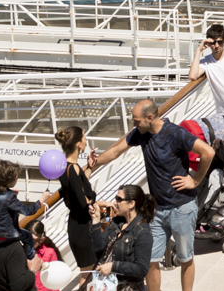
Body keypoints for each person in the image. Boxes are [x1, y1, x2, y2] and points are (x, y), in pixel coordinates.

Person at [91, 101, 215, 291]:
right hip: (156, 210)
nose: (134, 125)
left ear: (150, 118)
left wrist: (195, 181)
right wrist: (94, 163)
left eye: (136, 121)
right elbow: (116, 151)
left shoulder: (175, 133)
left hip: (182, 207)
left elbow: (208, 152)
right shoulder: (141, 134)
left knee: (185, 258)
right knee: (150, 260)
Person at [86, 184, 151, 291]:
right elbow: (98, 248)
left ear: (131, 204)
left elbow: (142, 269)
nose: (114, 202)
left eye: (119, 199)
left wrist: (113, 266)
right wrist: (96, 221)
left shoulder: (143, 231)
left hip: (127, 287)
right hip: (106, 284)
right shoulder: (117, 221)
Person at [53, 125, 99, 267]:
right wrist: (100, 204)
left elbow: (79, 186)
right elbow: (83, 201)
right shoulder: (73, 168)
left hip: (75, 224)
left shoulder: (65, 166)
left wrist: (89, 167)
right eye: (84, 138)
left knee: (89, 271)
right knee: (87, 273)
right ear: (79, 144)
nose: (86, 141)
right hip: (82, 227)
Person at [0, 159, 38, 260]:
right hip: (2, 235)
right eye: (16, 177)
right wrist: (41, 201)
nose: (17, 179)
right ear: (9, 181)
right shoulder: (10, 197)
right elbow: (28, 211)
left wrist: (11, 194)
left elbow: (0, 204)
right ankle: (31, 258)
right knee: (28, 236)